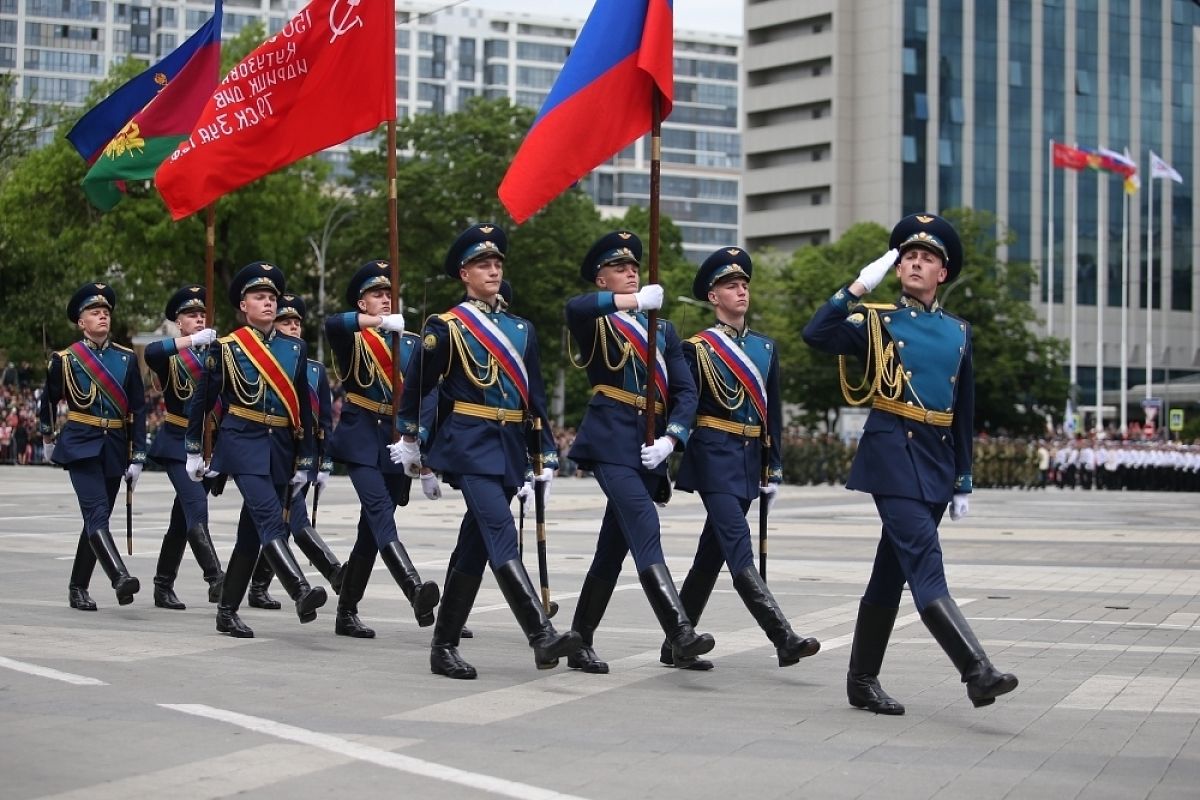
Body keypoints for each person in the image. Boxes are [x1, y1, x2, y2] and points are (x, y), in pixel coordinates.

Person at [802, 213, 1017, 713]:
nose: (917, 264)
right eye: (909, 258)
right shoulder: (877, 321)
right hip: (892, 452)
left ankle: (861, 681)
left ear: (943, 273)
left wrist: (964, 478)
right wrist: (857, 286)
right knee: (925, 562)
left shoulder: (959, 331)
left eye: (928, 259)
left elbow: (962, 409)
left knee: (889, 575)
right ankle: (976, 670)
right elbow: (817, 333)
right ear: (898, 270)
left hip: (936, 460)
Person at [392, 223, 579, 679]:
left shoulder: (521, 328)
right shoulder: (446, 326)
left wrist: (547, 458)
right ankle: (540, 634)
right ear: (464, 274)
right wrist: (411, 438)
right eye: (482, 264)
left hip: (510, 447)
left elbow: (532, 398)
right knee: (500, 533)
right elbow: (418, 385)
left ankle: (443, 646)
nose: (493, 270)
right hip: (470, 445)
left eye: (497, 263)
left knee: (474, 548)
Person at [563, 230, 712, 675]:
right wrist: (634, 304)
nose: (631, 272)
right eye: (619, 268)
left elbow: (686, 391)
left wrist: (673, 438)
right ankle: (680, 631)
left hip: (649, 446)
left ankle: (579, 641)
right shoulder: (599, 321)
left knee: (613, 549)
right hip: (610, 439)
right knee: (644, 523)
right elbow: (575, 308)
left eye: (634, 267)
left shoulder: (662, 329)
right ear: (601, 280)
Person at [670, 247, 820, 670]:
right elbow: (684, 404)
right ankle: (783, 637)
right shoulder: (696, 349)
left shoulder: (765, 348)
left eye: (744, 285)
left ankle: (675, 643)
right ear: (713, 297)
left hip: (749, 459)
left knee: (709, 556)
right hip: (713, 457)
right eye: (730, 286)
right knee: (739, 550)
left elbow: (773, 412)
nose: (741, 291)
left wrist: (774, 466)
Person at [185, 262, 326, 638]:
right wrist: (194, 449)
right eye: (259, 297)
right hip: (241, 442)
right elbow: (203, 401)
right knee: (269, 520)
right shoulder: (227, 348)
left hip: (280, 446)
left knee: (250, 536)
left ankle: (226, 612)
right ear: (243, 306)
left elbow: (302, 405)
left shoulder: (294, 348)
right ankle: (300, 589)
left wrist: (306, 458)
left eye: (272, 298)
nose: (267, 303)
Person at [39, 282, 145, 610]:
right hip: (80, 444)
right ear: (80, 322)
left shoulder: (126, 360)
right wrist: (47, 437)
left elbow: (137, 409)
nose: (102, 317)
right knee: (97, 513)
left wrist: (137, 454)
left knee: (95, 520)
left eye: (105, 313)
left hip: (114, 445)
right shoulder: (67, 359)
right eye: (94, 313)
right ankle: (119, 577)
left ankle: (77, 587)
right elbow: (48, 399)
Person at [243, 293, 347, 617]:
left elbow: (324, 421)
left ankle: (256, 586)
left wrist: (324, 462)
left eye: (297, 322)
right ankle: (333, 572)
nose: (293, 326)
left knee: (273, 526)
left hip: (300, 455)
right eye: (285, 321)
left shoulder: (313, 368)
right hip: (269, 451)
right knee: (291, 521)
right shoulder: (260, 360)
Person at [142, 285, 225, 610]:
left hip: (209, 446)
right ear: (179, 321)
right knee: (196, 509)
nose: (199, 318)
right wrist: (192, 342)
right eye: (191, 315)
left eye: (202, 314)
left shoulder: (218, 354)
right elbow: (150, 353)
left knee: (182, 519)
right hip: (178, 442)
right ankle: (216, 578)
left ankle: (163, 585)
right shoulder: (174, 355)